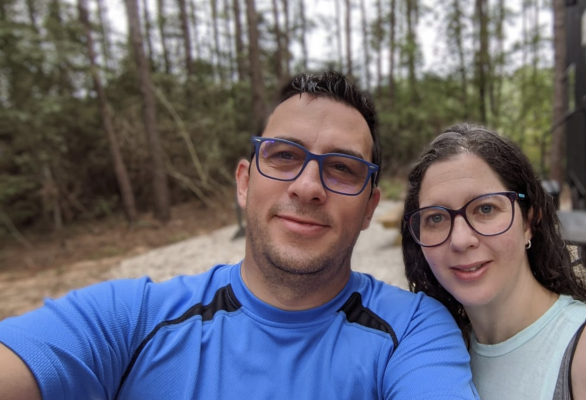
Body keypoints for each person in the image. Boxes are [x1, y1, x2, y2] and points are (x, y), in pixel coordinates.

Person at [0, 72, 478, 400]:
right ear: (245, 181)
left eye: (343, 168)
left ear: (371, 206)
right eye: (285, 156)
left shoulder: (413, 331)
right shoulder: (132, 319)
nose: (308, 186)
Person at [401, 123, 586, 400]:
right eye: (436, 217)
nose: (460, 240)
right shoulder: (429, 354)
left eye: (485, 208)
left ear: (529, 222)